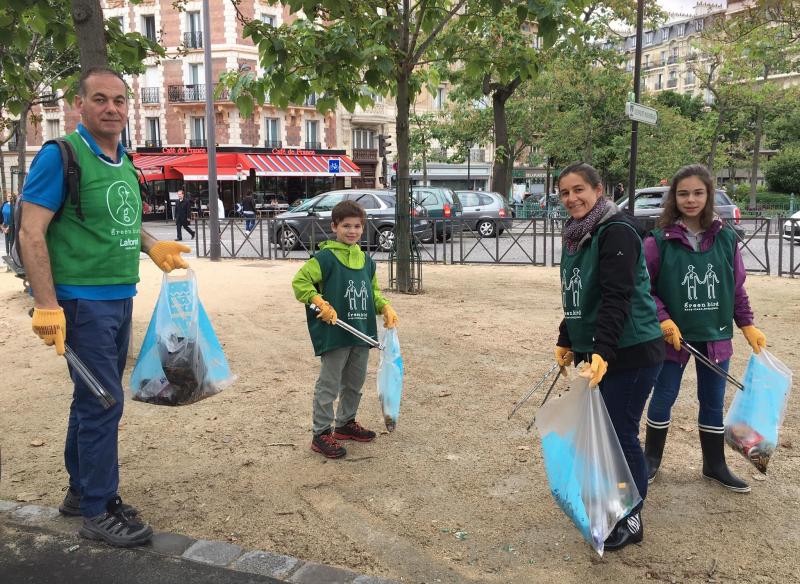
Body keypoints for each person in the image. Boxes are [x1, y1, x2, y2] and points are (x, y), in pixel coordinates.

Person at [18, 67, 192, 547]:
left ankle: (82, 492)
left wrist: (152, 246)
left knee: (93, 397)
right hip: (81, 303)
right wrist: (47, 305)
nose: (111, 108)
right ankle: (98, 508)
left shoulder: (123, 161)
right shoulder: (62, 155)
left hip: (119, 297)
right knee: (103, 401)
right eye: (100, 99)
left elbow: (119, 222)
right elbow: (30, 230)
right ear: (80, 105)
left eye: (119, 100)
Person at [554, 162, 664, 551]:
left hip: (630, 352)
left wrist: (601, 352)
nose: (572, 199)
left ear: (599, 190)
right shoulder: (575, 235)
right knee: (601, 432)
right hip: (598, 351)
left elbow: (617, 298)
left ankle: (631, 516)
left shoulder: (616, 231)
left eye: (579, 189)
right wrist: (566, 338)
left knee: (619, 433)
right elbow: (577, 295)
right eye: (564, 192)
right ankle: (610, 501)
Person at [642, 164, 766, 493]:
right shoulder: (658, 242)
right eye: (683, 193)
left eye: (698, 192)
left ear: (709, 195)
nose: (691, 199)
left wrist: (747, 325)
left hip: (715, 337)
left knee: (712, 401)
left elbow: (735, 288)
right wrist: (663, 319)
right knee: (663, 397)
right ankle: (650, 459)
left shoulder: (726, 238)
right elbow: (643, 290)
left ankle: (714, 464)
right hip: (672, 339)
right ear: (674, 198)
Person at [292, 200, 399, 459]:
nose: (352, 231)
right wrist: (318, 301)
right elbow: (300, 281)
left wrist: (384, 306)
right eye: (346, 226)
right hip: (335, 331)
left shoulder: (366, 261)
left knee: (354, 383)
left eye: (357, 226)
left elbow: (372, 292)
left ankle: (345, 424)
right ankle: (321, 433)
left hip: (362, 331)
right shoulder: (325, 258)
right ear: (334, 227)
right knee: (329, 384)